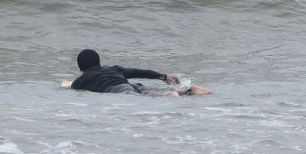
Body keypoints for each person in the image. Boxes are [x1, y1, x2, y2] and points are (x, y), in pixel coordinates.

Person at [70, 49, 211, 96]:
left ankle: (175, 94)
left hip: (120, 91)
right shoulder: (114, 69)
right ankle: (188, 91)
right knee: (150, 94)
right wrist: (164, 77)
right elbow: (141, 72)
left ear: (80, 68)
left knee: (156, 97)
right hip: (135, 85)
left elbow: (79, 91)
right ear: (99, 62)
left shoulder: (80, 81)